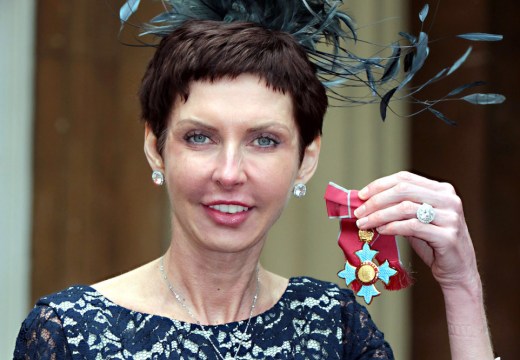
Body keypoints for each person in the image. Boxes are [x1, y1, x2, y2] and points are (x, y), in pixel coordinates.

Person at [14, 1, 498, 359]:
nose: (229, 173)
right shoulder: (67, 332)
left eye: (264, 140)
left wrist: (461, 285)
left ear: (306, 160)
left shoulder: (335, 327)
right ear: (154, 146)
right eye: (200, 137)